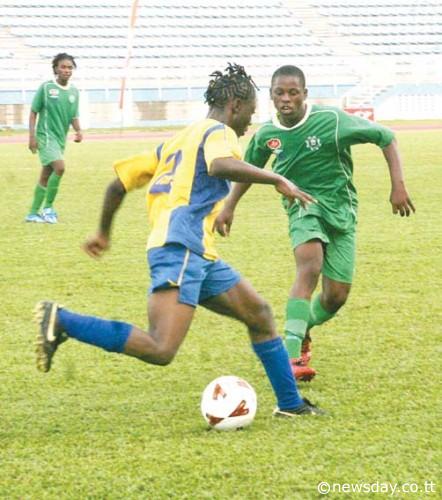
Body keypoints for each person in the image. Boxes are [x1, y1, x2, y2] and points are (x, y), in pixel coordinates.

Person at [34, 64, 324, 417]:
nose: (250, 121)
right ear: (234, 104)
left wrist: (103, 232)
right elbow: (219, 165)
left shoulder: (176, 140)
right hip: (181, 247)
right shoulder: (220, 132)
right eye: (250, 111)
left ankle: (291, 405)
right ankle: (62, 320)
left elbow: (118, 183)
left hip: (196, 251)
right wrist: (275, 178)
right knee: (161, 347)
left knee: (259, 314)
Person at [215, 65, 415, 382]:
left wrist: (398, 186)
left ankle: (302, 327)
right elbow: (247, 169)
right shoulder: (268, 135)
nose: (286, 99)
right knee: (309, 266)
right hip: (301, 206)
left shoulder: (332, 121)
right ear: (271, 96)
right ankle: (290, 355)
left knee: (336, 296)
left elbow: (386, 137)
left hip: (341, 210)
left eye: (293, 92)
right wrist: (229, 207)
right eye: (279, 93)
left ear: (305, 95)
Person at [26, 53, 82, 224]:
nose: (66, 70)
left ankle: (33, 213)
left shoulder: (74, 92)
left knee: (46, 174)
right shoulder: (46, 88)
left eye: (69, 67)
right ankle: (48, 208)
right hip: (46, 136)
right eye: (63, 67)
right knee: (60, 167)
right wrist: (32, 136)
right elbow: (34, 112)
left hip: (59, 139)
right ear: (55, 69)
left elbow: (73, 115)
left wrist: (79, 131)